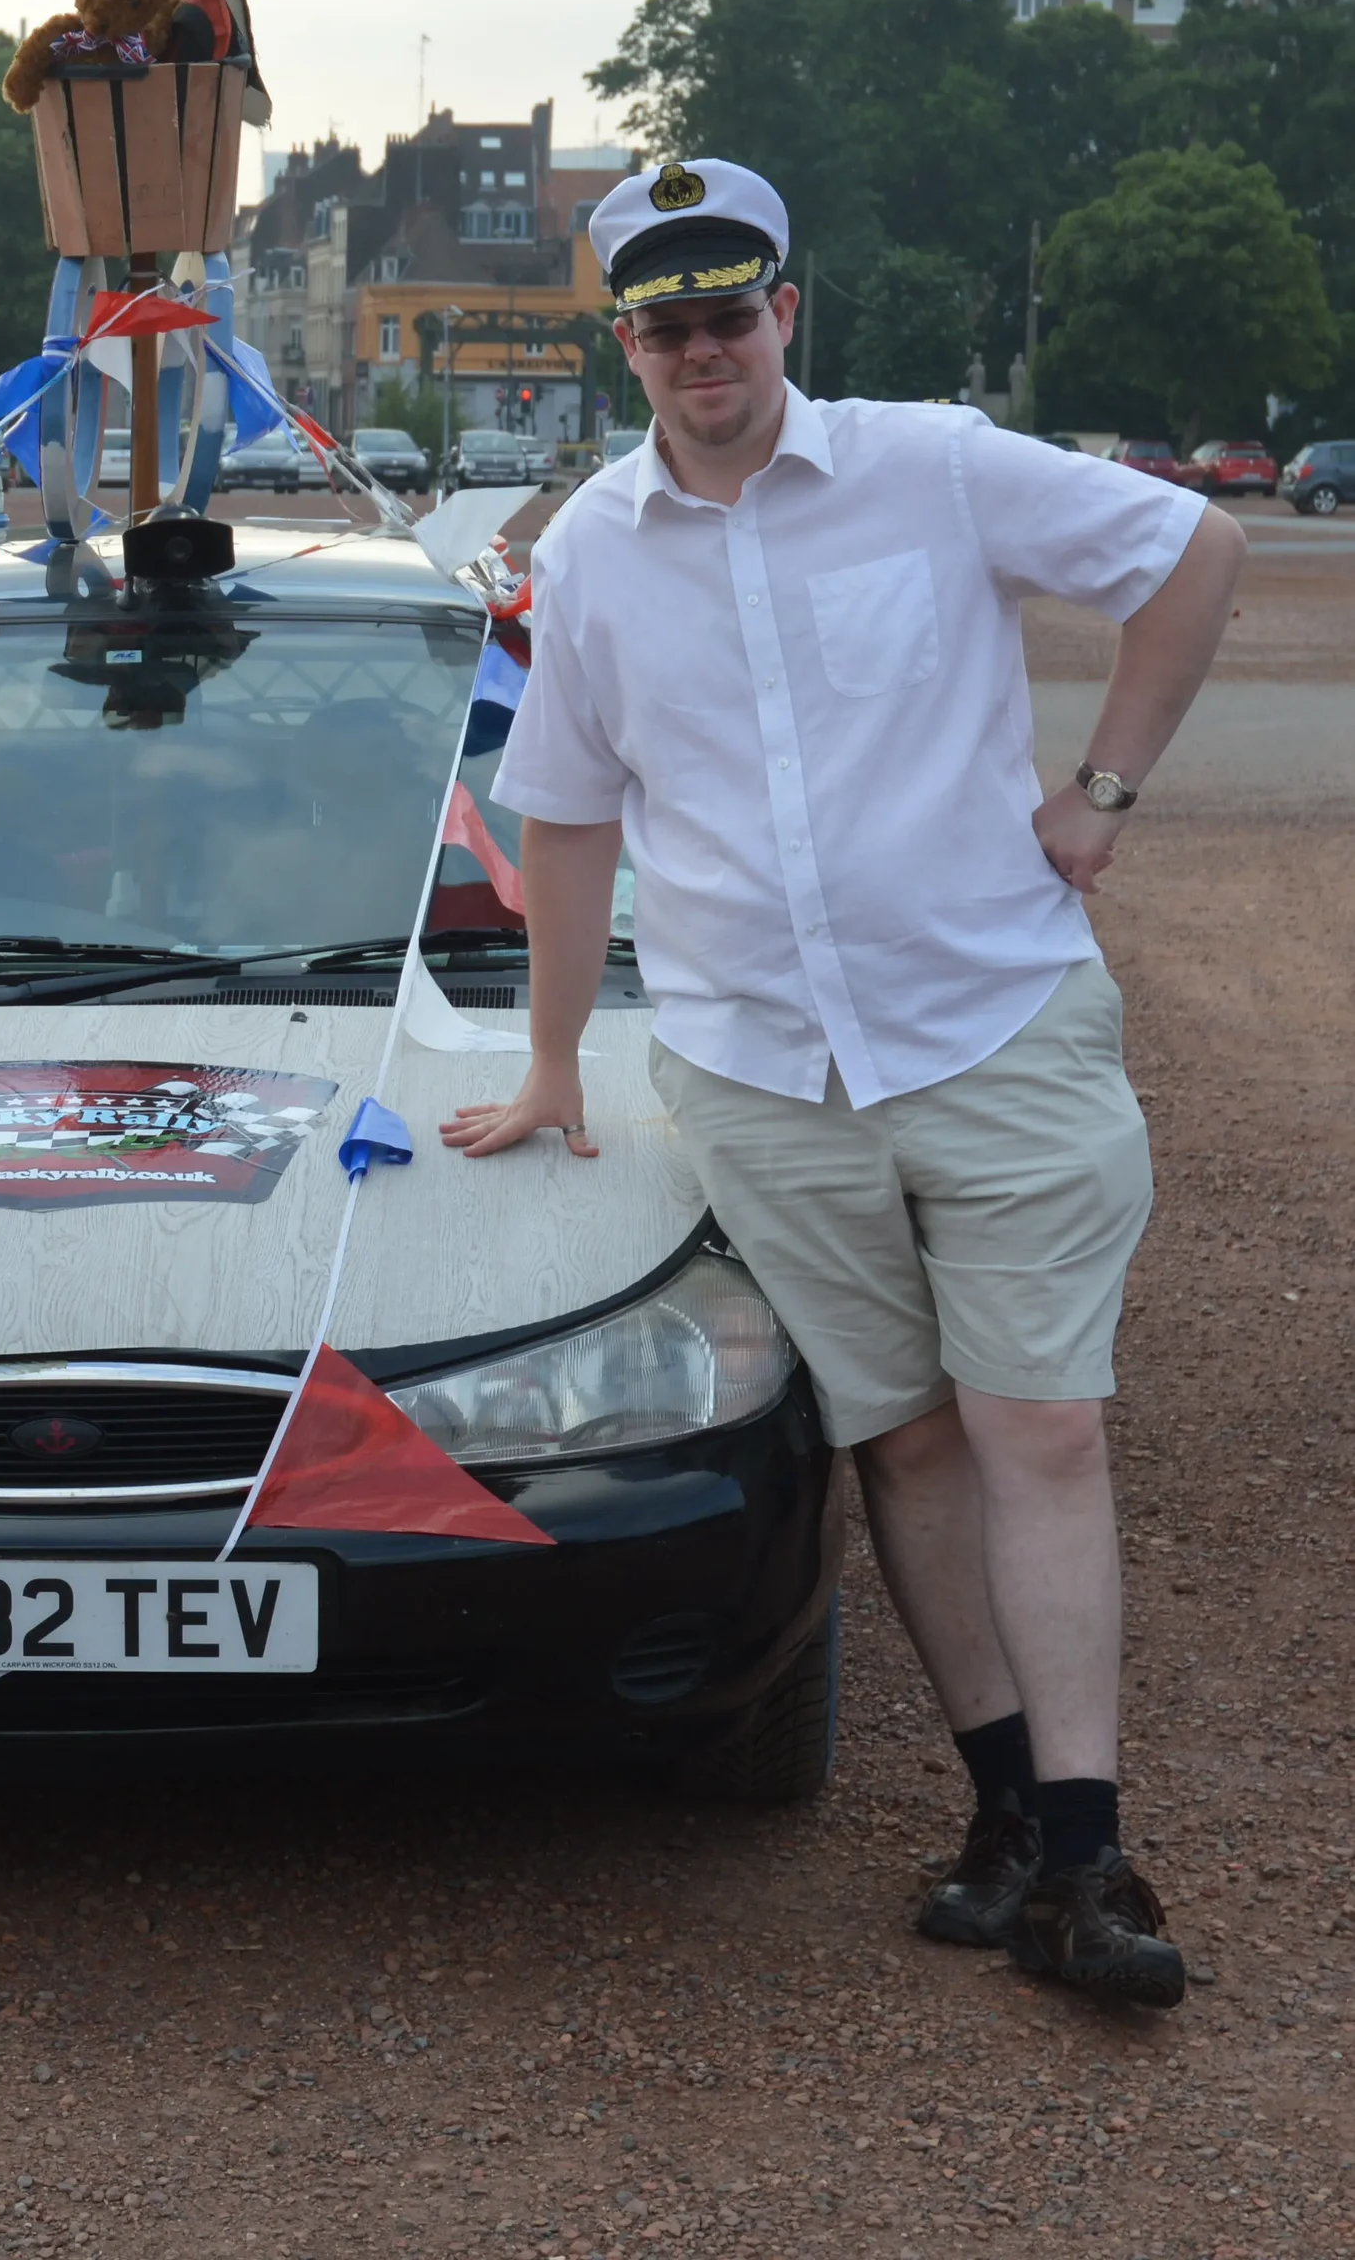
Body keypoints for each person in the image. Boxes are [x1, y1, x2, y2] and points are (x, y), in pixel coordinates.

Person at [443, 161, 1243, 2009]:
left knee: (1039, 1425)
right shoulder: (588, 553)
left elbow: (1195, 557)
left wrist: (1100, 799)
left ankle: (1089, 1851)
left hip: (994, 1023)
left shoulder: (933, 462)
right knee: (903, 1437)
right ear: (624, 344)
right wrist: (557, 1056)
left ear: (787, 311)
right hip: (758, 1067)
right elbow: (562, 817)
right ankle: (1001, 1816)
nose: (702, 348)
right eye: (663, 322)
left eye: (730, 311)